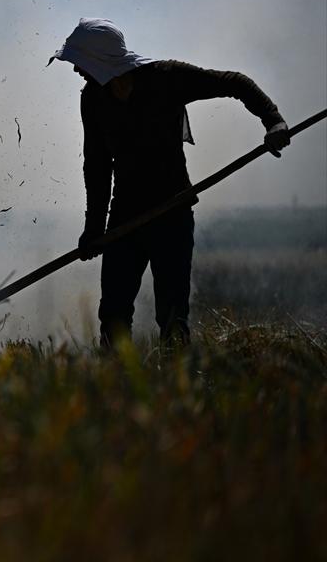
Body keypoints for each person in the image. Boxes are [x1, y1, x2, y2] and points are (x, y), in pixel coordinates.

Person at [48, 19, 290, 348]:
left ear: (101, 62)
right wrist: (94, 229)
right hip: (125, 218)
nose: (77, 71)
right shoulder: (93, 100)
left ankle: (175, 388)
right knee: (114, 317)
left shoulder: (167, 78)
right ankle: (112, 390)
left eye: (80, 63)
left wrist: (273, 120)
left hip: (172, 213)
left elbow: (235, 83)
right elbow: (98, 165)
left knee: (173, 317)